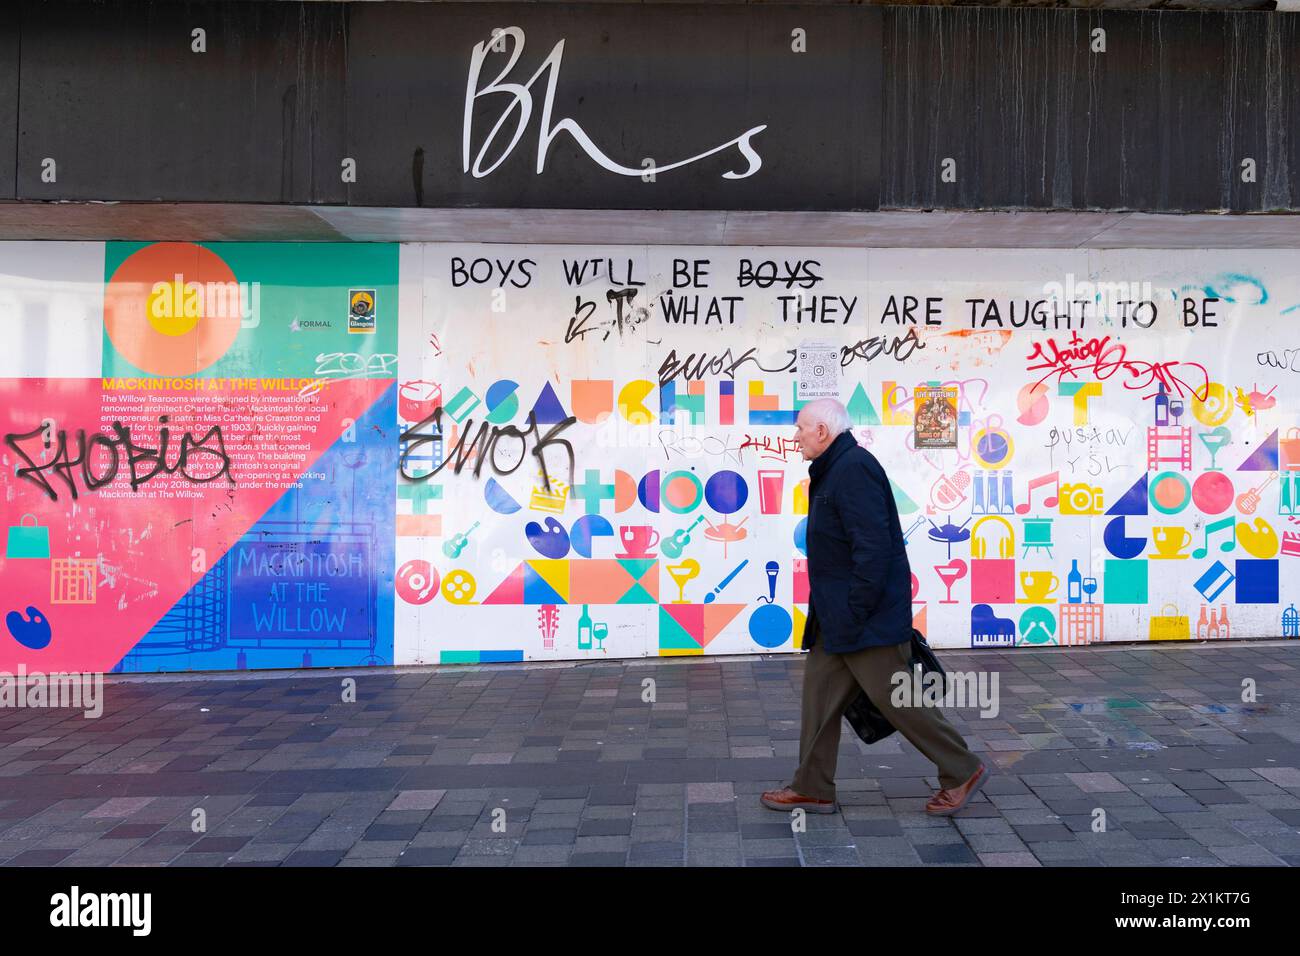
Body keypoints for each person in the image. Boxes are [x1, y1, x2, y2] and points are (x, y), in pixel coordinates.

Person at [760, 398, 989, 816]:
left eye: (800, 429)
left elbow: (874, 548)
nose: (795, 438)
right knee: (819, 697)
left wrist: (856, 608)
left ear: (822, 432)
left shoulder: (853, 469)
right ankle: (812, 787)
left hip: (864, 618)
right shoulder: (834, 469)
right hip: (837, 616)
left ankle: (962, 769)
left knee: (899, 700)